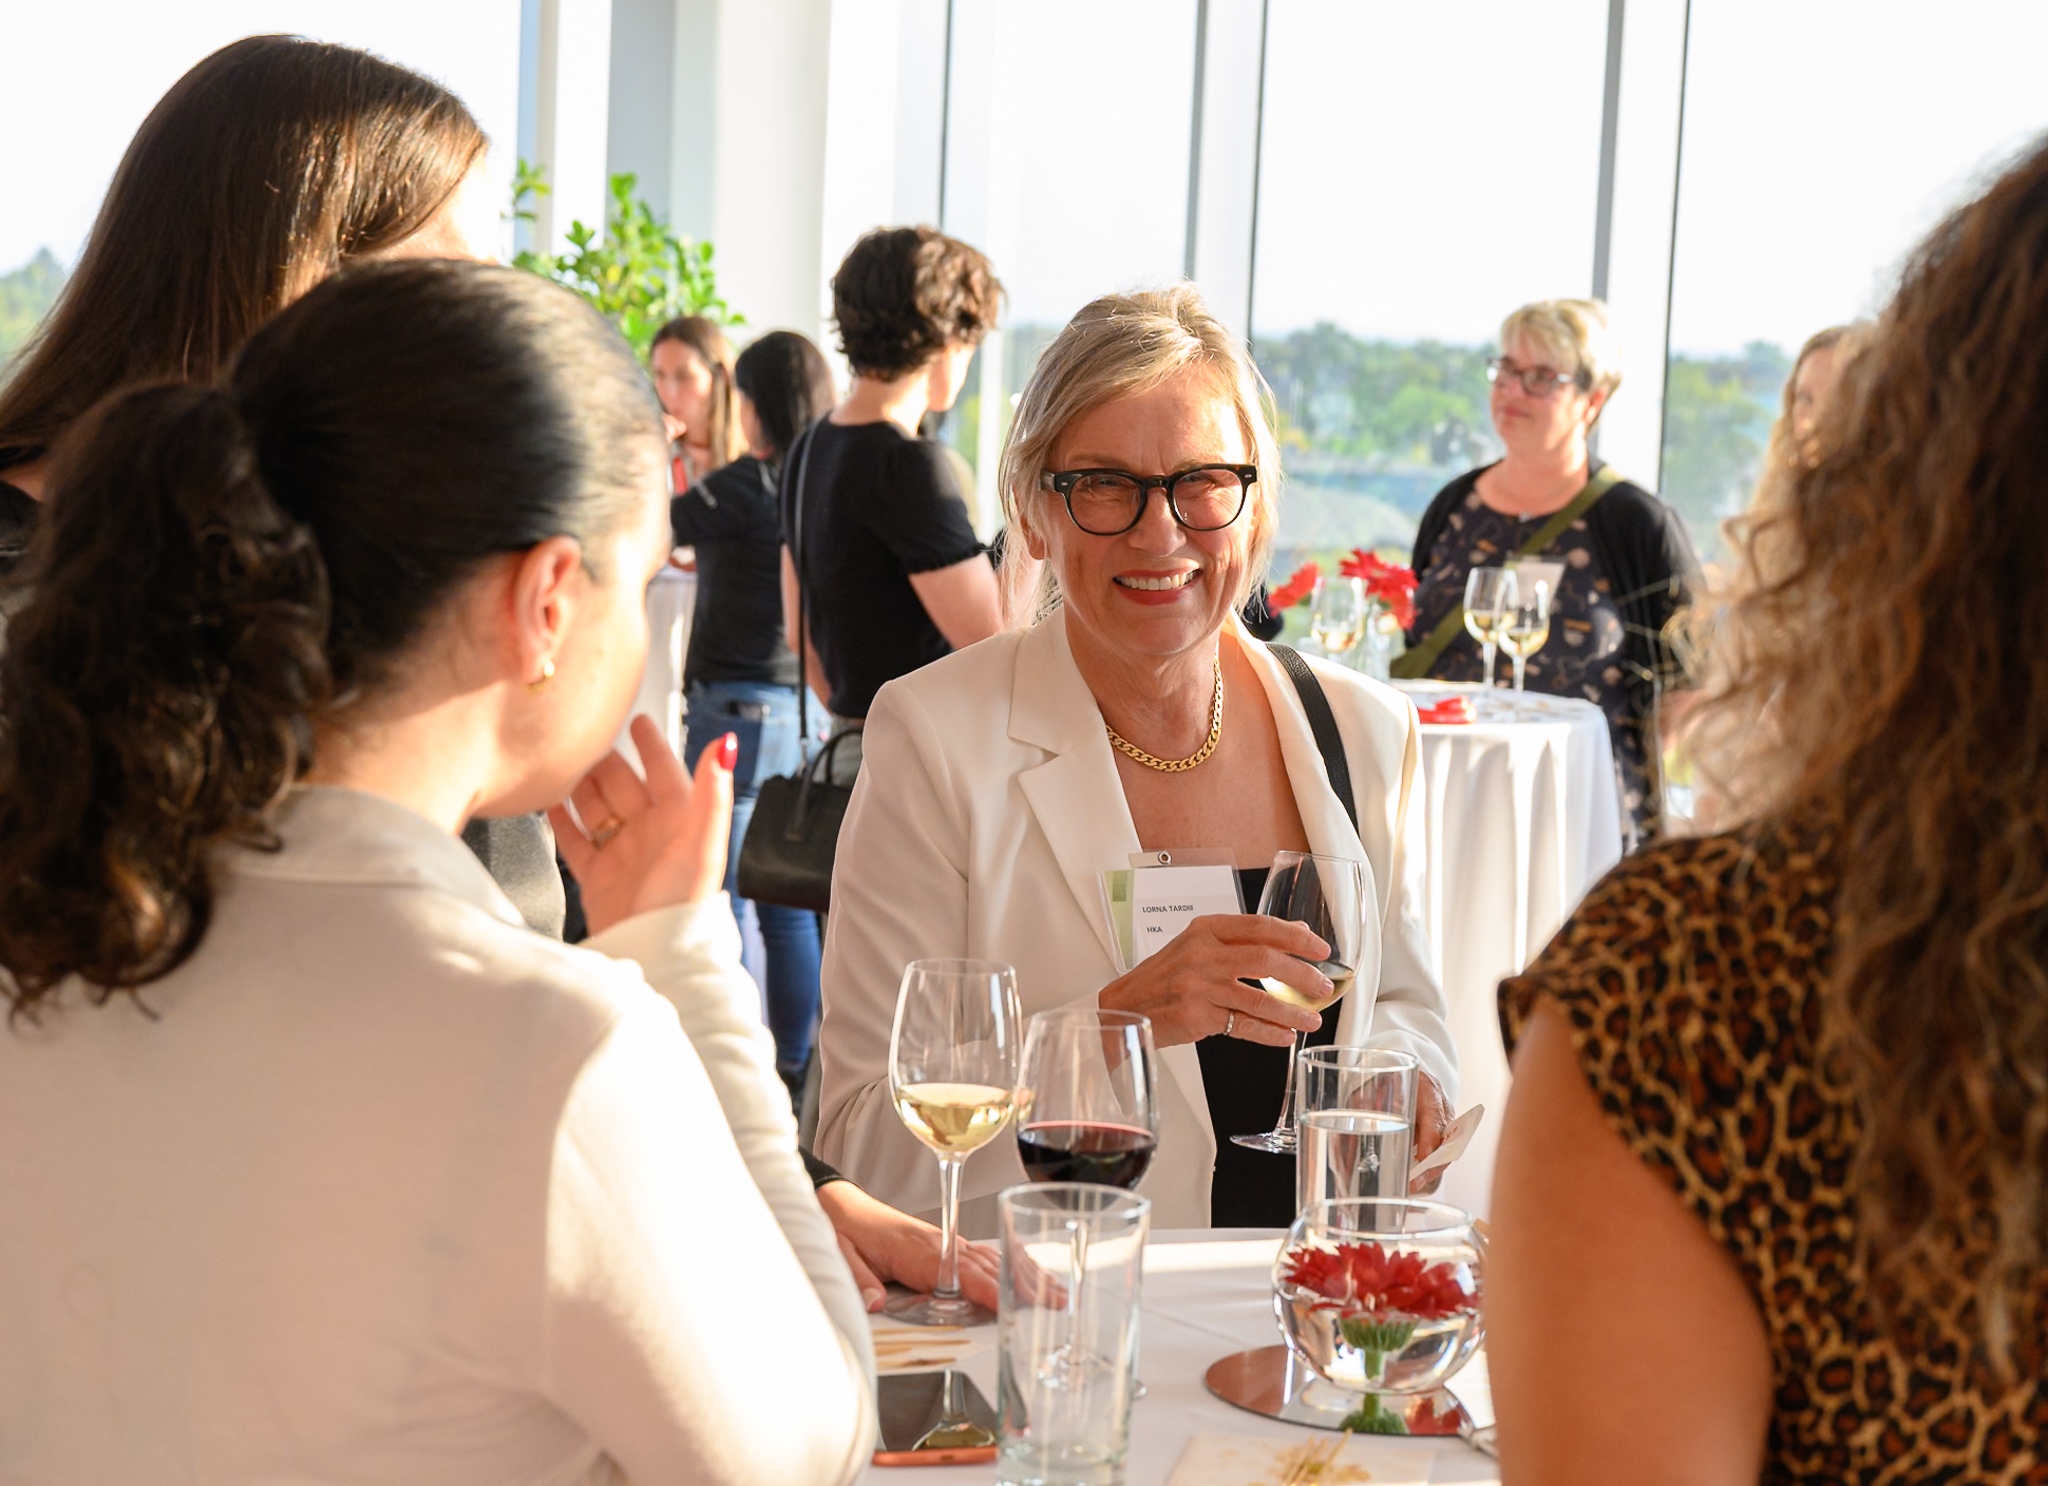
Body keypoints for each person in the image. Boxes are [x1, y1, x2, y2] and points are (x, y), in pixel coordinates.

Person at [0, 259, 874, 1483]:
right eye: (637, 578)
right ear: (547, 602)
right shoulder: (552, 1049)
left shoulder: (54, 925)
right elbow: (810, 1451)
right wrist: (681, 960)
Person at [1487, 138, 2048, 1482]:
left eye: (1540, 371)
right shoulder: (1693, 992)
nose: (1515, 390)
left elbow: (1673, 681)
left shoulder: (1696, 986)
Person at [812, 286, 1456, 1231]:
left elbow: (1404, 1005)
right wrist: (1117, 1027)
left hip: (1303, 1300)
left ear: (1255, 510)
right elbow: (864, 1140)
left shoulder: (1365, 731)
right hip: (1062, 1301)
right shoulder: (935, 738)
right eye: (1106, 484)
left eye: (1203, 480)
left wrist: (1411, 1082)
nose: (1160, 532)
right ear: (1036, 512)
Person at [0, 36, 572, 934]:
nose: (498, 322)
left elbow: (519, 910)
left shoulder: (388, 564)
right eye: (458, 283)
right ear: (304, 286)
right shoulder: (29, 596)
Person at [1399, 298, 1700, 850]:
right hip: (1447, 805)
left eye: (1540, 378)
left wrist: (1608, 762)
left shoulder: (1636, 522)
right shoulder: (1454, 503)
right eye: (1506, 370)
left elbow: (1690, 677)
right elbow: (1414, 640)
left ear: (1593, 400)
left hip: (1580, 815)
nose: (1512, 391)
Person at [675, 330, 836, 1092]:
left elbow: (657, 524)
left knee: (728, 897)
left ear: (753, 404)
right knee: (788, 902)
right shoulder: (817, 484)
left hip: (733, 711)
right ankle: (795, 1066)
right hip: (799, 711)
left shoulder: (742, 484)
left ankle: (736, 1070)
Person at [780, 225, 1006, 767]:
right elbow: (994, 640)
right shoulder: (906, 466)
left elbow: (797, 634)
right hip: (912, 761)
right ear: (947, 340)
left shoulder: (809, 446)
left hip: (846, 750)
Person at [651, 315, 744, 494]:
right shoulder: (658, 451)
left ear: (720, 376)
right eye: (660, 375)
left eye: (684, 376)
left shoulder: (753, 453)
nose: (670, 392)